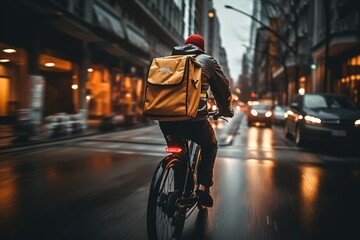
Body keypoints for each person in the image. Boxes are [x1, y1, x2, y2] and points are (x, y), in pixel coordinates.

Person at [158, 34, 234, 207]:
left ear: (185, 45)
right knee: (210, 144)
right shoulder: (207, 60)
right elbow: (222, 90)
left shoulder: (169, 60)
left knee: (179, 154)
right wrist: (226, 111)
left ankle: (178, 193)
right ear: (202, 48)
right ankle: (203, 186)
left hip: (165, 119)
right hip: (193, 120)